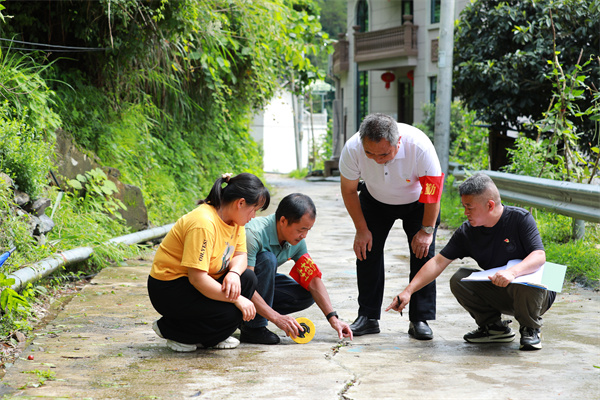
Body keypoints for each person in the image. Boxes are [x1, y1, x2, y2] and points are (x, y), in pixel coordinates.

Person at [387, 173, 555, 350]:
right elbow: (438, 262)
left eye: (470, 207)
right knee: (459, 279)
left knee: (523, 281)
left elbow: (539, 256)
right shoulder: (467, 231)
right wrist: (408, 291)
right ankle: (494, 328)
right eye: (464, 206)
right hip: (504, 290)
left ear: (490, 205)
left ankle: (531, 328)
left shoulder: (520, 218)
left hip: (539, 292)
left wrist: (512, 273)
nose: (465, 213)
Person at [339, 113, 444, 340]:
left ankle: (420, 318)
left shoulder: (419, 146)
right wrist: (361, 229)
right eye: (370, 154)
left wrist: (427, 230)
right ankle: (368, 317)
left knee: (423, 254)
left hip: (418, 202)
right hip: (375, 200)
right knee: (366, 251)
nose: (377, 159)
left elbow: (432, 192)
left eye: (384, 154)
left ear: (398, 142)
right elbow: (348, 190)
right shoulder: (353, 148)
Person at [147, 173, 270, 352]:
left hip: (200, 282)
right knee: (232, 313)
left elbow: (241, 254)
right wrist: (237, 299)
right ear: (241, 203)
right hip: (171, 288)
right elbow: (197, 278)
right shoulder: (203, 223)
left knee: (248, 279)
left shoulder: (236, 222)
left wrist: (234, 273)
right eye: (254, 209)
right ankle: (172, 330)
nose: (254, 216)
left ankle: (209, 337)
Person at [240, 193, 354, 344]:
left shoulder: (297, 242)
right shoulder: (253, 234)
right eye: (301, 229)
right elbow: (246, 283)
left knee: (307, 294)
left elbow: (313, 280)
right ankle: (253, 328)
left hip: (257, 283)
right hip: (234, 287)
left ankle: (250, 316)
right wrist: (277, 318)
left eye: (308, 230)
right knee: (268, 260)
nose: (304, 235)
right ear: (283, 221)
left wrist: (333, 319)